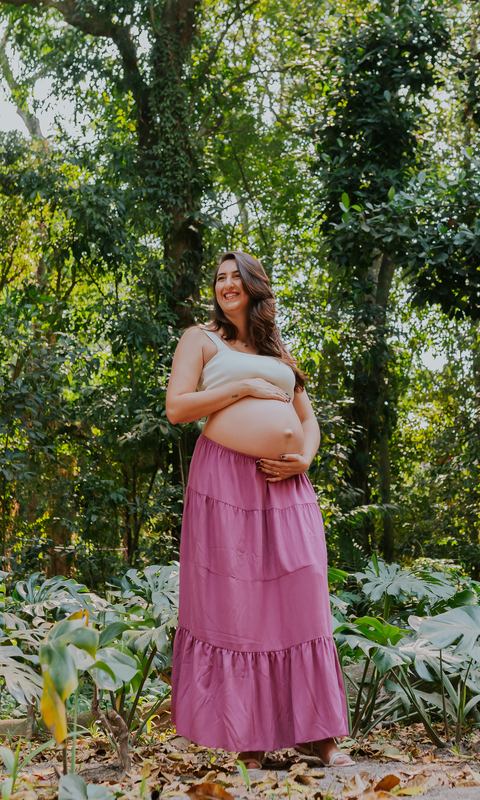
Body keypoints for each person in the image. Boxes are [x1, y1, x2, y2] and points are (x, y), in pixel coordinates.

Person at [165, 251, 354, 770]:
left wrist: (304, 460)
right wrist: (239, 388)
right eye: (219, 278)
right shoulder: (199, 340)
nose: (226, 285)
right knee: (239, 601)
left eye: (235, 277)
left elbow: (306, 420)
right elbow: (178, 407)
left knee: (303, 592)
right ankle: (249, 740)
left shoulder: (278, 352)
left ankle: (320, 738)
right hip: (226, 482)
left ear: (253, 286)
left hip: (287, 487)